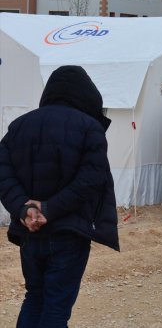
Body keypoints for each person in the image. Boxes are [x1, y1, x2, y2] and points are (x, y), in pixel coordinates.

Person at [0, 65, 120, 326]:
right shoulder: (90, 128)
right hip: (69, 233)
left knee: (34, 297)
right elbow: (91, 179)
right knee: (55, 308)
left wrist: (24, 209)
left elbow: (4, 174)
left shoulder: (19, 126)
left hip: (29, 233)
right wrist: (49, 208)